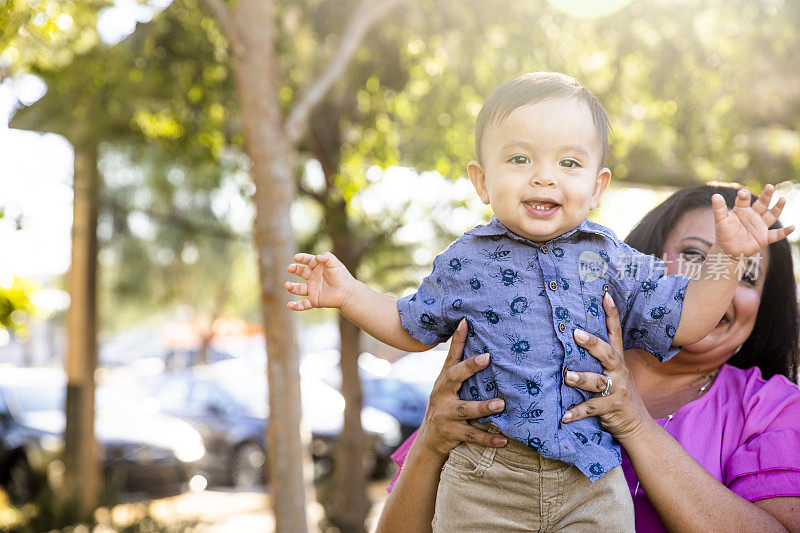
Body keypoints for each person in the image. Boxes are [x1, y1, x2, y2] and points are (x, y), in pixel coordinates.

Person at [285, 72, 791, 530]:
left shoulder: (609, 260)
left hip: (589, 480)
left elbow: (688, 320)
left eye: (568, 162)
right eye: (520, 158)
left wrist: (728, 255)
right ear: (481, 180)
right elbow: (409, 326)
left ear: (597, 187)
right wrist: (349, 294)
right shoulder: (466, 262)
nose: (544, 176)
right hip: (485, 478)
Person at [377, 185, 800, 532]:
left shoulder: (773, 409)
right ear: (634, 267)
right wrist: (433, 439)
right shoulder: (523, 361)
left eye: (743, 272)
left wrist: (633, 422)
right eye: (694, 254)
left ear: (764, 307)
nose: (715, 274)